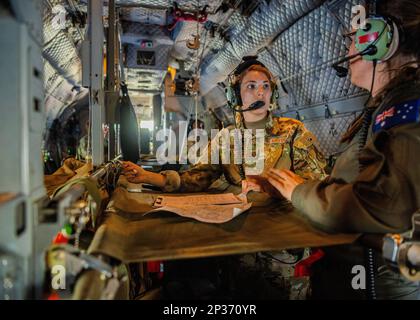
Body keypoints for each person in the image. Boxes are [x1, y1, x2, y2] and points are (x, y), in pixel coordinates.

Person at [122, 58, 327, 299]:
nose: (260, 92)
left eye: (265, 86)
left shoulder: (293, 132)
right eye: (251, 86)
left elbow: (319, 183)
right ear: (236, 96)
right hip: (236, 246)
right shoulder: (226, 138)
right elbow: (197, 178)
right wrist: (149, 177)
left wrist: (276, 187)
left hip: (282, 250)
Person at [264, 0, 420, 299]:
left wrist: (300, 192)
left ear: (379, 42)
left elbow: (384, 203)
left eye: (353, 40)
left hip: (383, 285)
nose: (348, 51)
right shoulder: (386, 110)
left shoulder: (408, 111)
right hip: (363, 276)